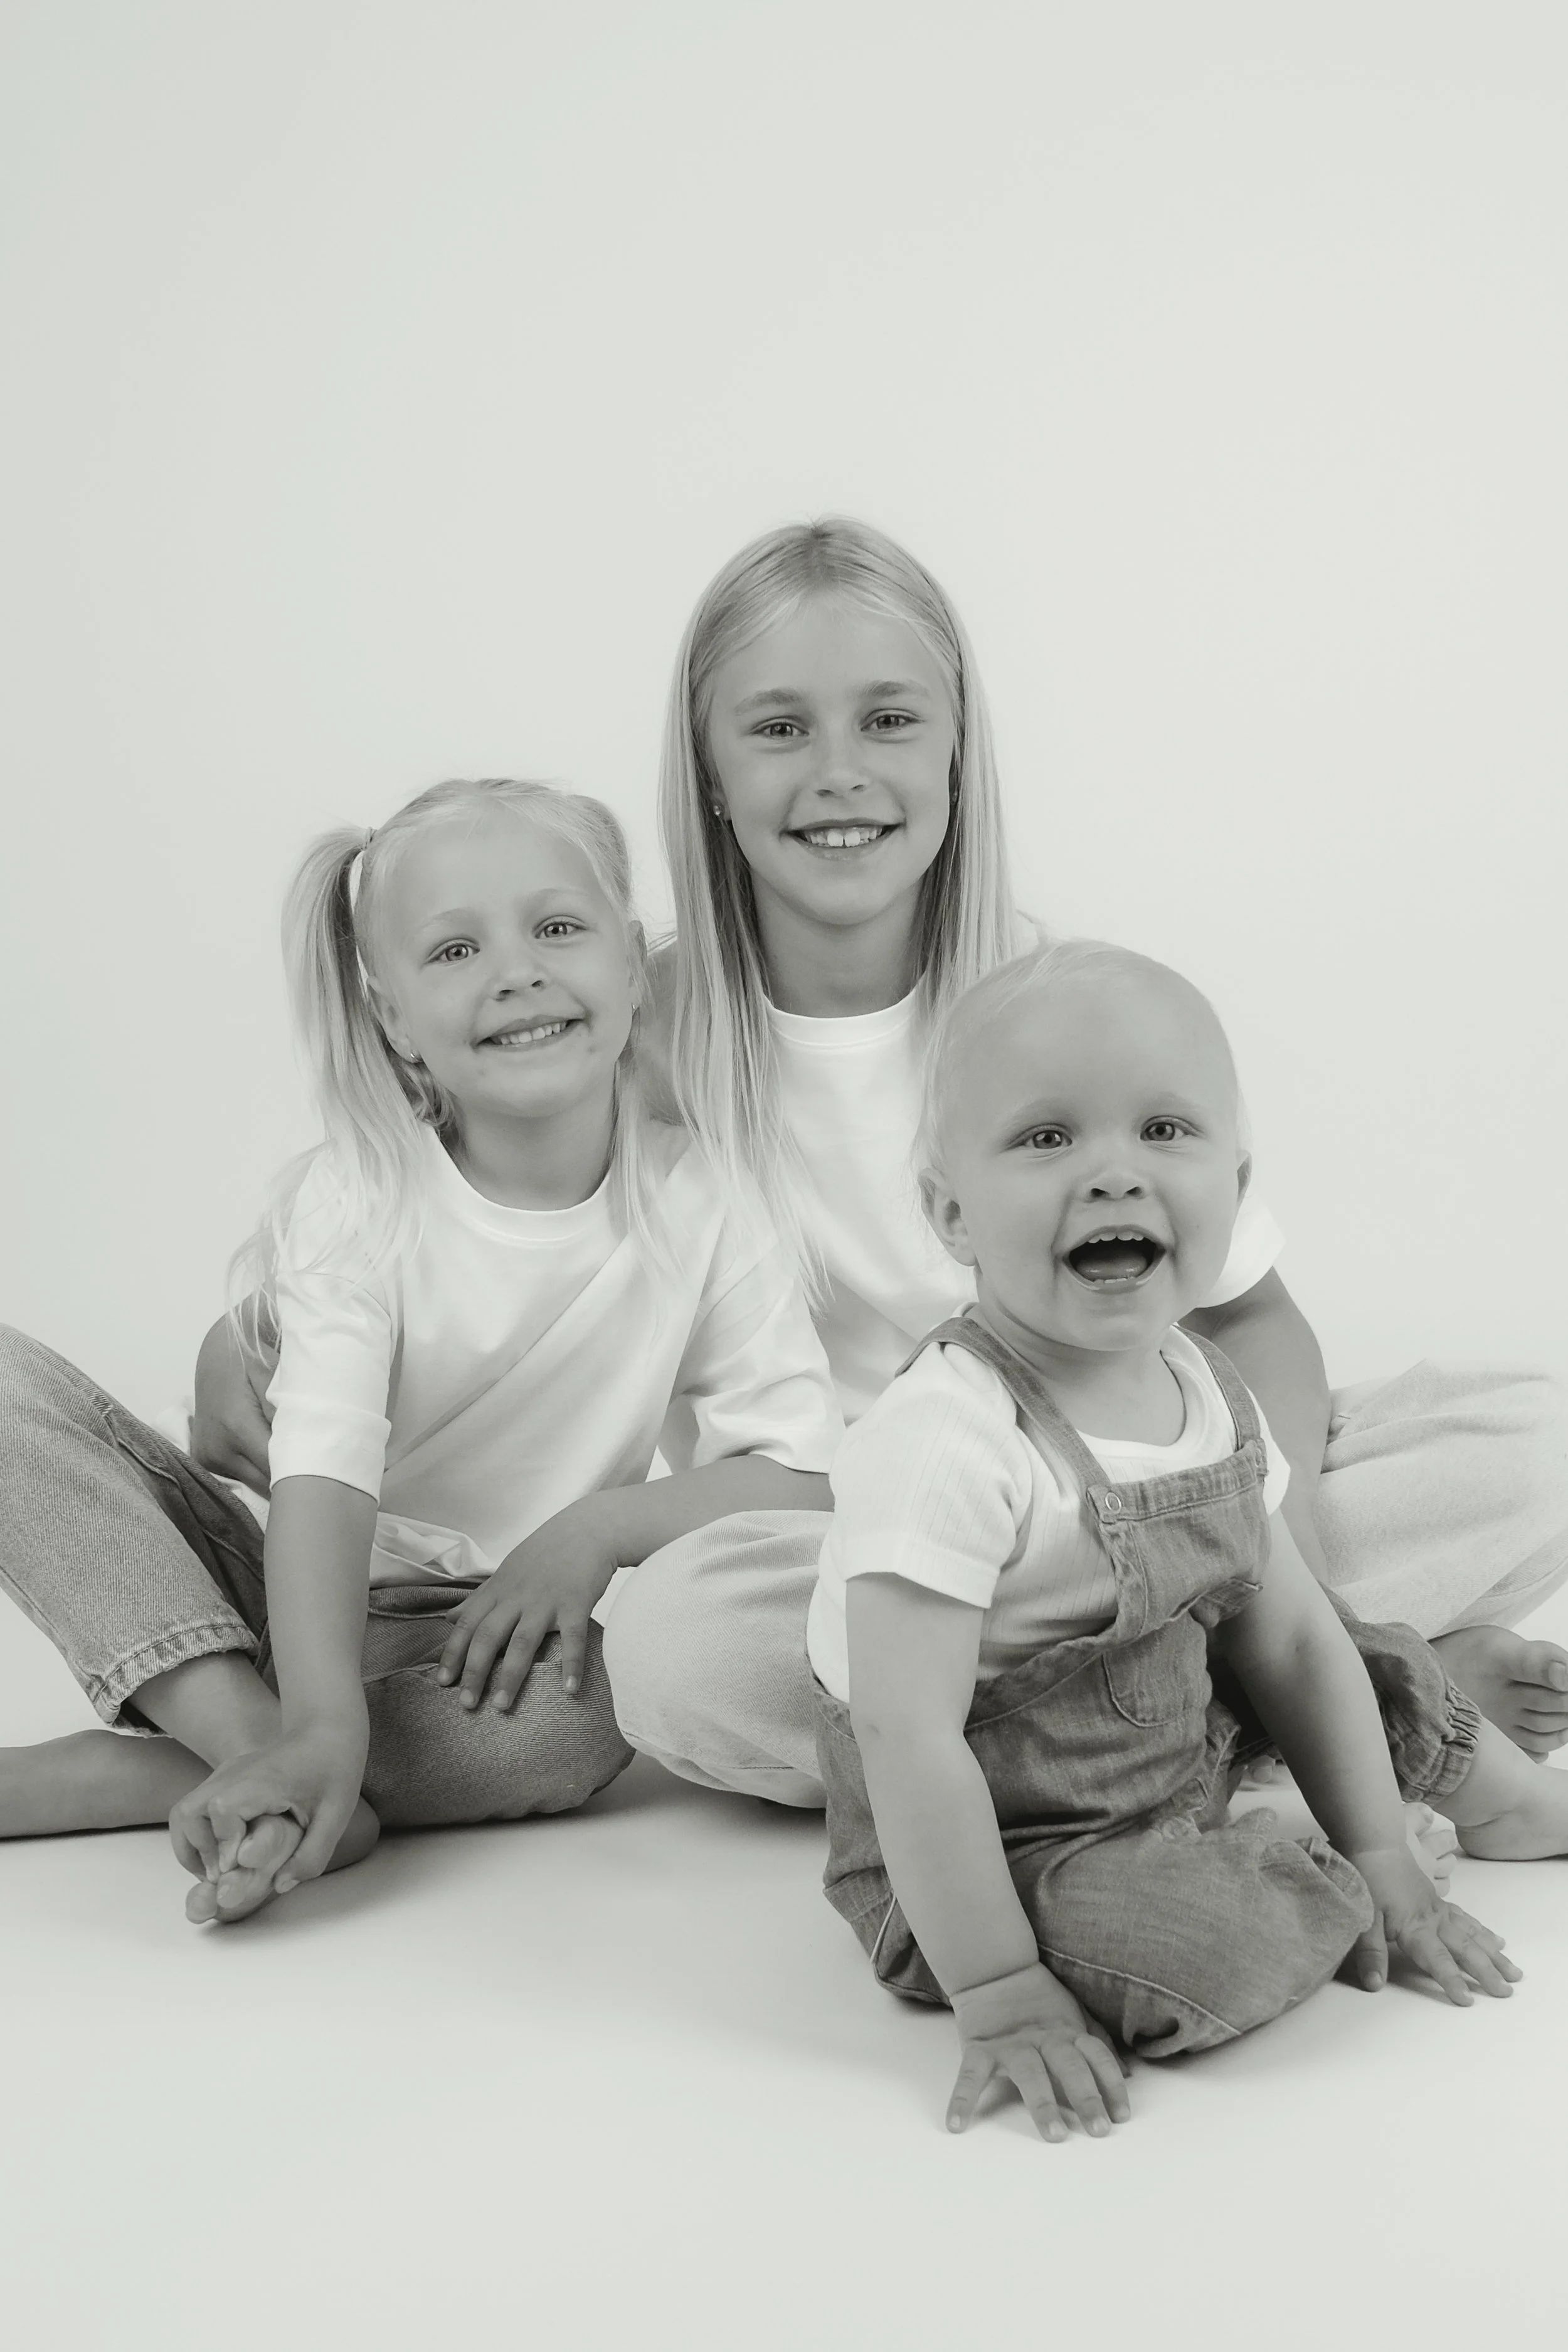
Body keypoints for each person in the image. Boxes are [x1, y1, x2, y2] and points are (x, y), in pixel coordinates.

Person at [191, 519, 1568, 1799]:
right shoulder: (626, 1028)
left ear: (956, 751)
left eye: (889, 721)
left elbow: (1250, 1322)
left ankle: (1238, 1684)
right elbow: (406, 1208)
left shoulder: (1038, 1007)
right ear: (711, 778)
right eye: (779, 729)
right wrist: (231, 1344)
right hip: (854, 1540)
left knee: (1532, 1446)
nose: (838, 772)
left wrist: (1296, 1573)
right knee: (673, 1652)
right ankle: (1299, 1705)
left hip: (1128, 1494)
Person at [0, 779, 840, 1920]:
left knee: (582, 1723)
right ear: (392, 1016)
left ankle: (228, 1759)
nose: (517, 971)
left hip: (481, 1631)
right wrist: (321, 1720)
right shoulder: (364, 1191)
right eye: (454, 949)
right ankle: (284, 1758)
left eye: (557, 928)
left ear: (633, 966)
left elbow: (797, 1476)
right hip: (280, 1567)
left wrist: (592, 1532)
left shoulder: (708, 1200)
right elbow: (325, 1474)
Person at [812, 939, 1564, 2142]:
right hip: (1006, 1835)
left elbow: (1295, 1642)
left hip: (1172, 1723)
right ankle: (1262, 1864)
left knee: (1360, 1655)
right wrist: (1000, 1994)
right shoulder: (950, 1438)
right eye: (1047, 1138)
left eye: (1165, 1131)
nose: (1114, 1174)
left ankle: (1474, 1806)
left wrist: (1383, 1858)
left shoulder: (1206, 1380)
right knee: (1213, 1955)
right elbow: (909, 1740)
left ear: (1238, 1181)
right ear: (949, 1209)